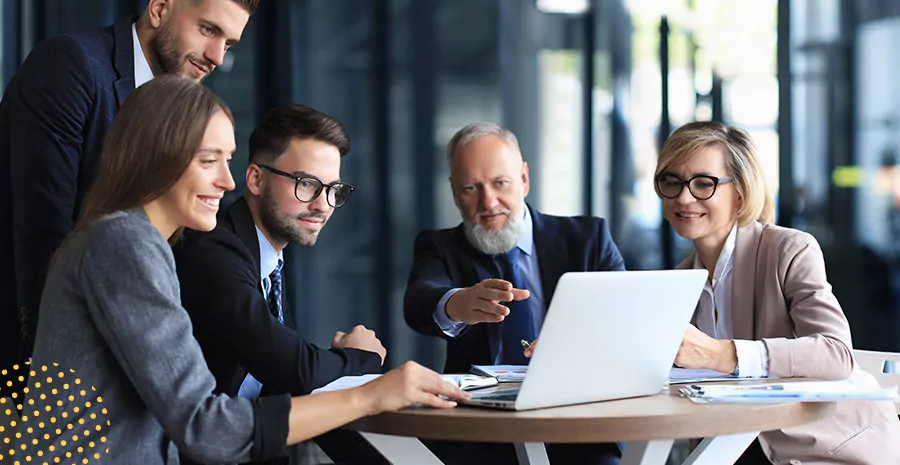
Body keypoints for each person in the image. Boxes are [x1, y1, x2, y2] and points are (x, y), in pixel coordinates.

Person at [18, 76, 468, 464]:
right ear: (158, 156)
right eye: (208, 160)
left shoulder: (136, 242)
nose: (227, 181)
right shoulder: (126, 245)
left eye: (227, 160)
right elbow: (204, 425)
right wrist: (368, 393)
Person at [0, 0, 257, 370]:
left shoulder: (183, 109)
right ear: (160, 8)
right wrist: (42, 376)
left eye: (229, 43)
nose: (217, 56)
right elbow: (43, 236)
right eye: (208, 29)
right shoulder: (71, 66)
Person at [656, 121, 900, 464]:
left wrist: (720, 354)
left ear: (739, 193)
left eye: (703, 184)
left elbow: (835, 355)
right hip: (733, 450)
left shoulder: (789, 250)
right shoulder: (677, 283)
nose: (684, 197)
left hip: (829, 449)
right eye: (672, 182)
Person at [174, 104, 387, 464]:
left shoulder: (266, 257)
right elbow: (296, 369)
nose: (322, 205)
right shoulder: (216, 250)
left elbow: (285, 372)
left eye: (333, 189)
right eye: (307, 184)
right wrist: (358, 355)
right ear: (256, 179)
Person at [403, 122, 623, 465]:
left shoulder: (588, 238)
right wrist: (456, 303)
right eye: (470, 187)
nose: (488, 202)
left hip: (577, 420)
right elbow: (419, 299)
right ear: (453, 190)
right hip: (478, 429)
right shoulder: (440, 246)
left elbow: (623, 317)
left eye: (500, 183)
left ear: (523, 179)